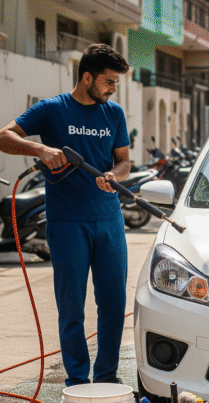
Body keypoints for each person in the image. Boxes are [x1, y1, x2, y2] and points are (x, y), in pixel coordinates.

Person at [0, 43, 131, 386]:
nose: (113, 88)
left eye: (116, 82)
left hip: (109, 220)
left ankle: (106, 378)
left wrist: (115, 175)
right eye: (108, 81)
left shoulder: (113, 113)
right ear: (87, 77)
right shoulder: (51, 109)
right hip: (67, 223)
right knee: (72, 308)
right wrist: (40, 149)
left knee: (114, 305)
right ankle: (77, 380)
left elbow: (124, 160)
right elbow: (4, 136)